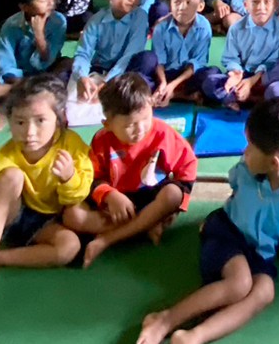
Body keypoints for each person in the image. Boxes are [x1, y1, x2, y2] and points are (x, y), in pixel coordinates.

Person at [134, 99, 279, 344]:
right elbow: (234, 193)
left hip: (260, 251)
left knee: (265, 291)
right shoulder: (245, 169)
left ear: (274, 162)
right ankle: (165, 320)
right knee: (240, 283)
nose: (244, 152)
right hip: (226, 232)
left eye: (250, 146)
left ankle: (193, 337)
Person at [0, 74, 92, 294]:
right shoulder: (3, 158)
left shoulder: (72, 145)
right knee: (11, 176)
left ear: (59, 118)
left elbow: (76, 196)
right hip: (9, 216)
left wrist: (69, 178)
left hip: (44, 222)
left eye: (40, 120)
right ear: (8, 120)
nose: (29, 133)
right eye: (19, 122)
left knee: (70, 246)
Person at [66, 74, 198, 266]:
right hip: (117, 206)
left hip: (152, 199)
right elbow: (92, 178)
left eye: (145, 118)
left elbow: (188, 170)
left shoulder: (163, 133)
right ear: (108, 125)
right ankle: (145, 226)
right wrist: (110, 195)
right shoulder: (101, 140)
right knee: (72, 215)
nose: (140, 129)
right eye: (129, 125)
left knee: (173, 195)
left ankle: (108, 239)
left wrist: (174, 211)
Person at [202, 0, 279, 108]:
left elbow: (273, 62)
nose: (261, 7)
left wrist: (251, 82)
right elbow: (230, 58)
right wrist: (236, 74)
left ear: (275, 5)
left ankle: (243, 98)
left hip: (263, 78)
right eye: (255, 2)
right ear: (246, 5)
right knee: (210, 82)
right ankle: (243, 98)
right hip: (241, 75)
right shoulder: (236, 28)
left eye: (267, 2)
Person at [130, 0, 212, 106]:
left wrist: (172, 86)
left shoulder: (204, 27)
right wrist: (163, 83)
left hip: (187, 75)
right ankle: (177, 95)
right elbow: (159, 61)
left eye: (188, 3)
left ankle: (171, 95)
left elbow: (197, 62)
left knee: (211, 75)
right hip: (164, 74)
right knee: (146, 60)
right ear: (170, 5)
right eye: (176, 2)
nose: (181, 7)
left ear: (200, 6)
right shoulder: (161, 27)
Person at [71, 0, 150, 103]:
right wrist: (82, 77)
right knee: (68, 78)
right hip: (99, 68)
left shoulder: (140, 17)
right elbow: (83, 53)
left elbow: (129, 56)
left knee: (146, 61)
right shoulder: (96, 20)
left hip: (125, 70)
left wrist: (107, 82)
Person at [0, 0, 69, 92]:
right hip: (21, 76)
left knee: (68, 65)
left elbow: (47, 61)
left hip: (49, 71)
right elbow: (4, 66)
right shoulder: (11, 26)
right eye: (44, 0)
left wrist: (39, 36)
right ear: (24, 6)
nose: (51, 4)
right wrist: (22, 81)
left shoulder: (59, 22)